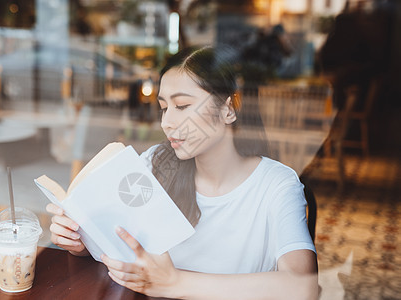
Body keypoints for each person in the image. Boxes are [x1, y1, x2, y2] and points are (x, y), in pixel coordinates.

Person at [47, 45, 318, 299]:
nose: (167, 123)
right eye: (164, 108)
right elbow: (118, 243)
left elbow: (302, 286)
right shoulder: (155, 164)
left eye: (183, 106)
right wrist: (81, 241)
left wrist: (174, 282)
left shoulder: (275, 185)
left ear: (228, 108)